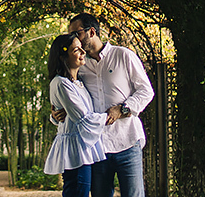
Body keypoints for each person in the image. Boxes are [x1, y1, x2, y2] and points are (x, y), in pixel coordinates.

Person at [58, 13, 155, 197]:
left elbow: (146, 91)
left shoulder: (123, 55)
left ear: (91, 32)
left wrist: (123, 109)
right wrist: (60, 112)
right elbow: (72, 95)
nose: (73, 40)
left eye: (76, 34)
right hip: (97, 146)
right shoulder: (79, 65)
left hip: (127, 141)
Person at [43, 33, 107, 197]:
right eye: (76, 50)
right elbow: (83, 119)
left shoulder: (77, 83)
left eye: (81, 49)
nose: (83, 53)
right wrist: (111, 115)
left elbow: (75, 113)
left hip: (82, 149)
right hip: (75, 151)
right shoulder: (61, 83)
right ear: (63, 56)